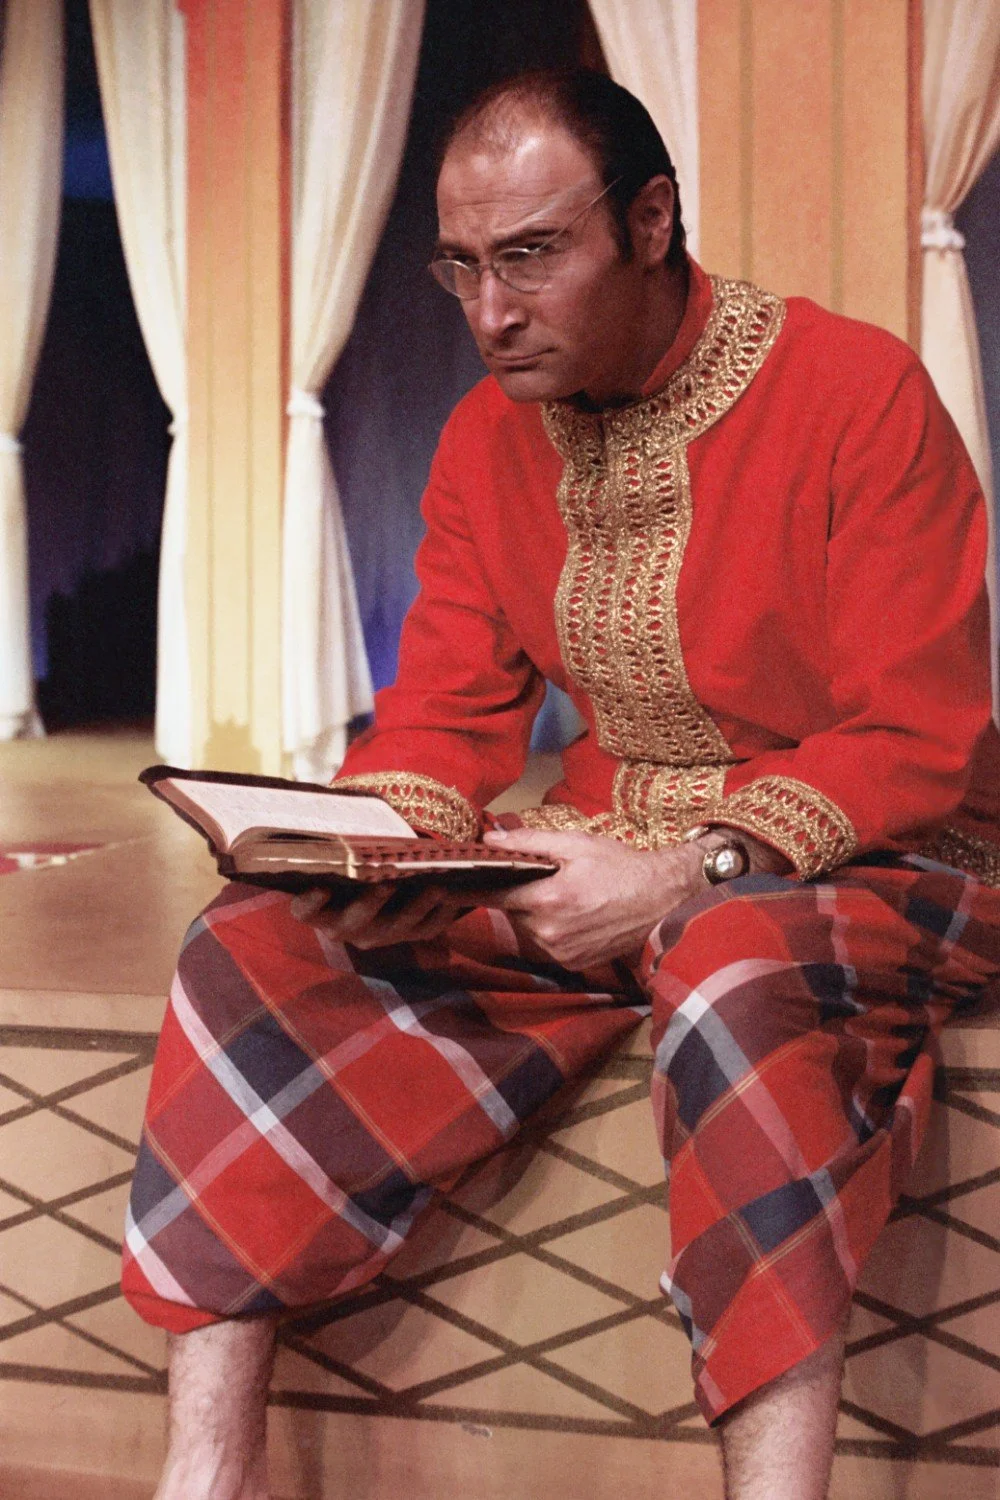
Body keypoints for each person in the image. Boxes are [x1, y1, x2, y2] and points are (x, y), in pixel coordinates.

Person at [123, 68, 1000, 1500]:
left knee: (727, 968)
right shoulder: (484, 440)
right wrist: (374, 848)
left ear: (652, 221)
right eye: (460, 268)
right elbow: (447, 713)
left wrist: (685, 870)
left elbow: (923, 732)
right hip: (602, 855)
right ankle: (204, 1477)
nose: (489, 314)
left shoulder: (855, 391)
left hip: (898, 856)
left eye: (531, 257)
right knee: (254, 944)